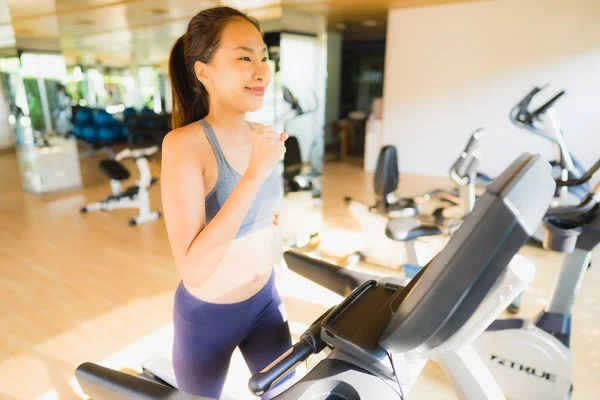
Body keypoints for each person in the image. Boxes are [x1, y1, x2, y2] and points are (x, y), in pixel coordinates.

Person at [160, 6, 294, 399]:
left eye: (264, 56)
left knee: (289, 393)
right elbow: (195, 269)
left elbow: (260, 217)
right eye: (244, 57)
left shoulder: (262, 136)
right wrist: (254, 174)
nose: (261, 69)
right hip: (208, 317)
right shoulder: (185, 145)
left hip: (265, 300)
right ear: (204, 71)